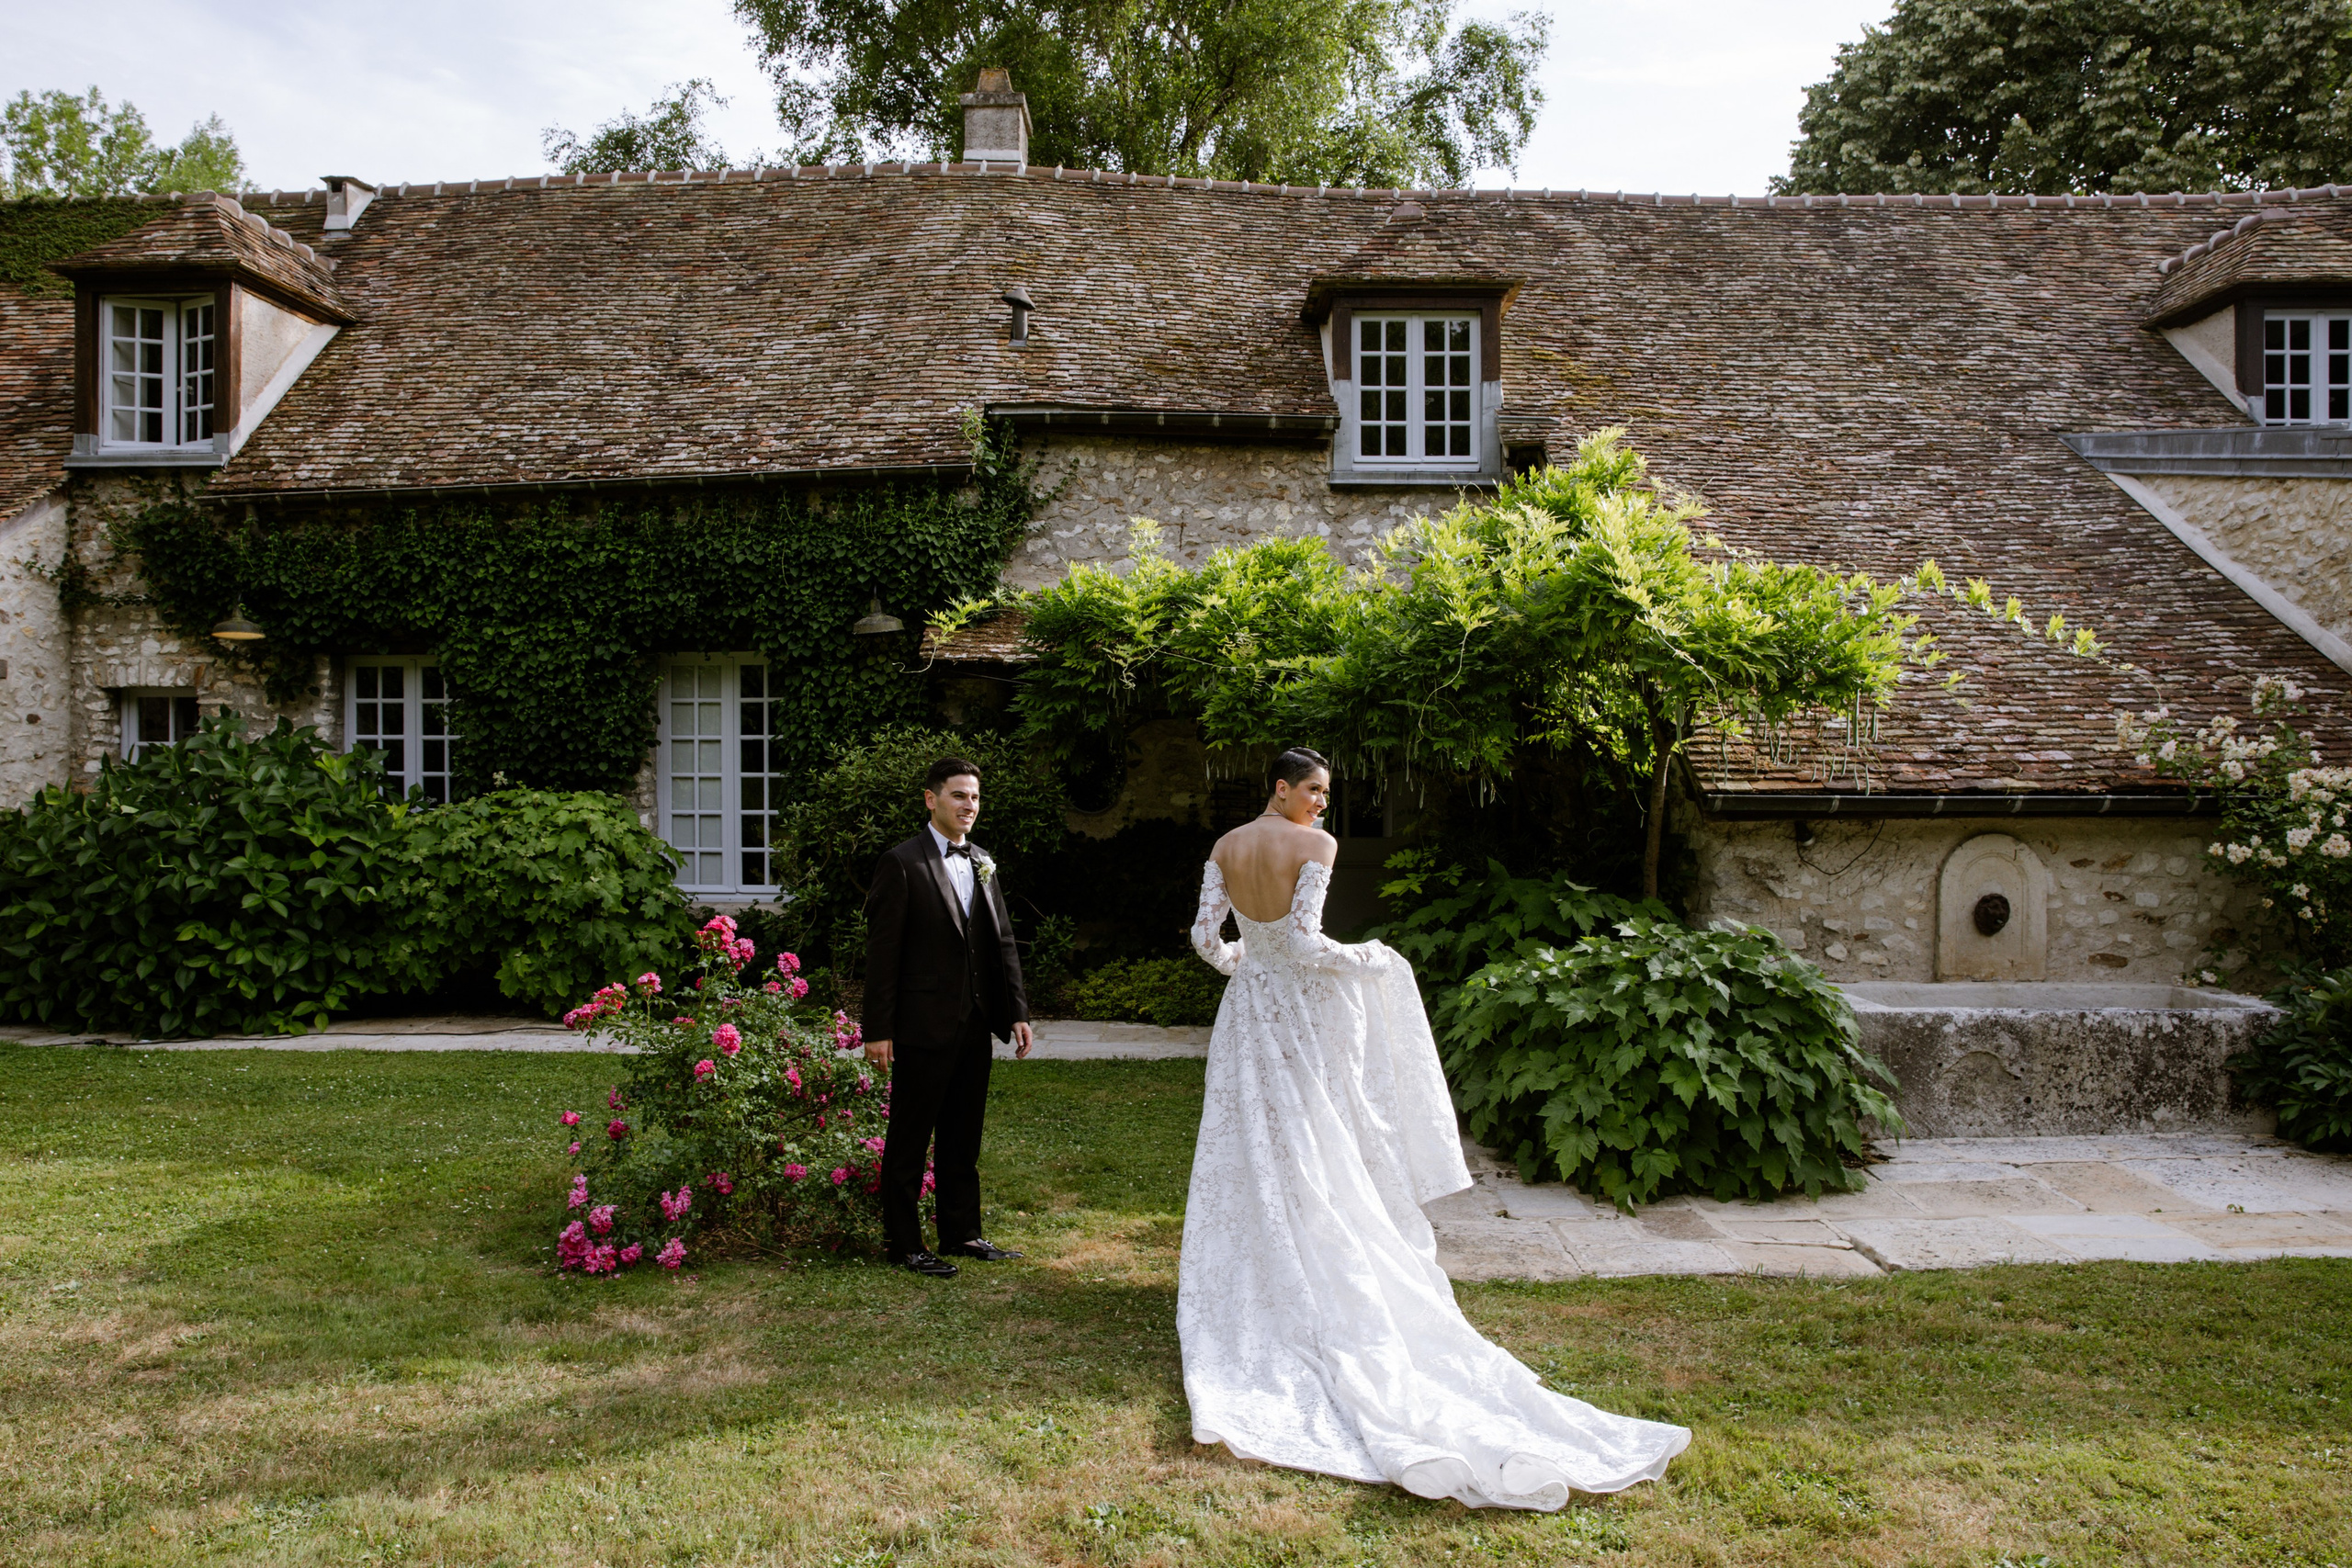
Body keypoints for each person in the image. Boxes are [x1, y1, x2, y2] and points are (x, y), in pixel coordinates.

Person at [1179, 746, 1690, 1509]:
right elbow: (1314, 945)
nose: (1323, 803)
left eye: (1327, 791)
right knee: (1315, 1145)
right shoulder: (1315, 846)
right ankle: (1309, 1270)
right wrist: (1374, 958)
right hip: (1297, 1016)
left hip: (1247, 1017)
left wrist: (1247, 964)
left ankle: (1262, 1272)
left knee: (1256, 1147)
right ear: (1280, 789)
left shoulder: (1225, 846)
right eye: (1313, 789)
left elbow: (1202, 939)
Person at [863, 756, 1035, 1279]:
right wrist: (878, 1030)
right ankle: (904, 1243)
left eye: (975, 797)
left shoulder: (983, 860)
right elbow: (883, 954)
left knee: (963, 1134)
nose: (969, 805)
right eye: (959, 795)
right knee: (910, 1136)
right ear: (931, 799)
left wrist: (1016, 1012)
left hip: (974, 1022)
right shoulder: (901, 863)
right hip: (919, 1025)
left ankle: (961, 1232)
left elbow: (1002, 940)